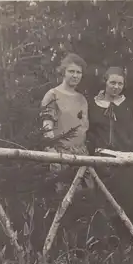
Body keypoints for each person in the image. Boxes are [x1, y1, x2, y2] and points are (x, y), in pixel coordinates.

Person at [87, 66, 133, 243]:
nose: (116, 87)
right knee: (105, 204)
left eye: (120, 83)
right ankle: (105, 246)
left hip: (127, 161)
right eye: (112, 82)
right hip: (103, 161)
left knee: (131, 202)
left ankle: (130, 246)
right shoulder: (92, 105)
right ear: (105, 82)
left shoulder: (130, 106)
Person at [40, 53, 92, 193]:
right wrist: (53, 155)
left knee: (85, 198)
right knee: (63, 198)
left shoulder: (82, 99)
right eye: (71, 71)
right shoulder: (53, 95)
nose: (75, 76)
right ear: (63, 72)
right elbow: (47, 126)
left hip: (82, 156)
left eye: (78, 72)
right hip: (61, 155)